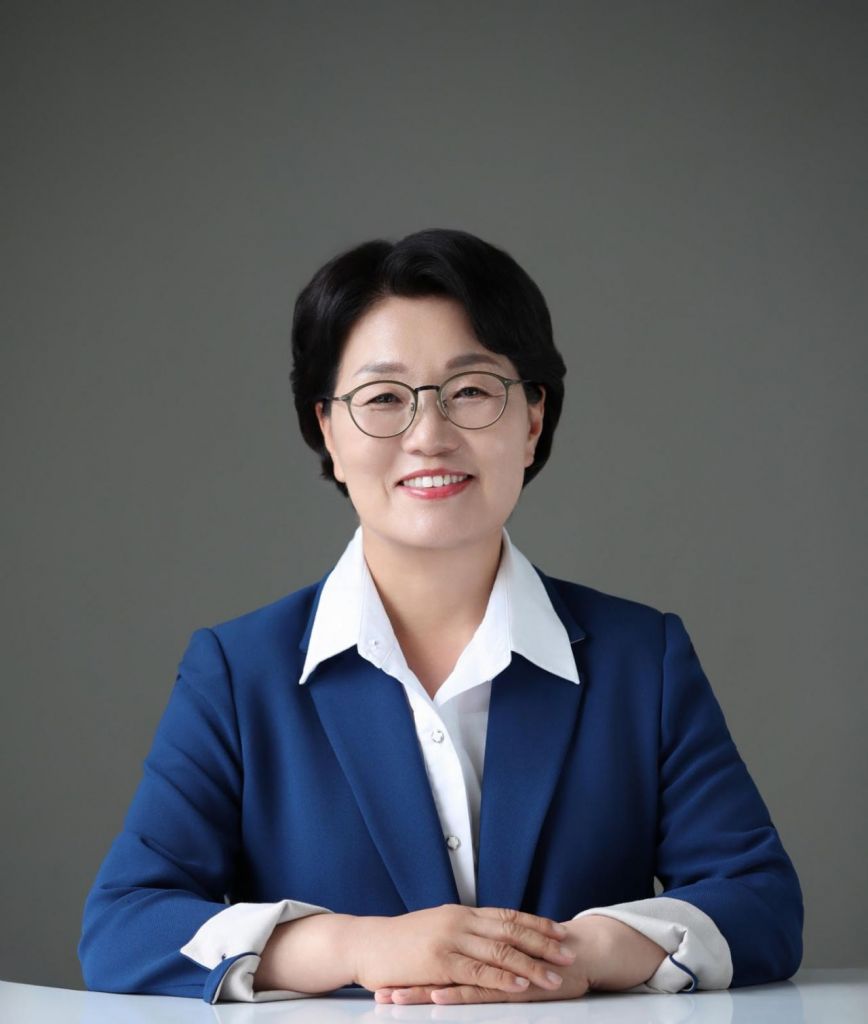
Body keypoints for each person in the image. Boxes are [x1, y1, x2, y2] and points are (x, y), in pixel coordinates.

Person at [78, 228, 803, 1005]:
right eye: (384, 398)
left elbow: (759, 900)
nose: (429, 436)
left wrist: (584, 954)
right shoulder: (238, 673)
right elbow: (122, 926)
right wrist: (356, 946)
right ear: (328, 431)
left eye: (471, 391)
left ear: (532, 422)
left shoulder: (641, 659)